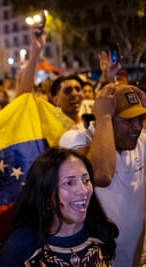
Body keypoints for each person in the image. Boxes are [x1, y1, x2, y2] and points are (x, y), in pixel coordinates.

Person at [60, 83, 146, 266]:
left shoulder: (141, 142)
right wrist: (104, 116)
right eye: (129, 121)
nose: (137, 127)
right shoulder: (75, 139)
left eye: (141, 118)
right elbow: (102, 175)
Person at [0, 147, 118, 266]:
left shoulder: (101, 233)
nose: (83, 190)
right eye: (69, 183)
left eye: (86, 180)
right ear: (46, 193)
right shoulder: (19, 247)